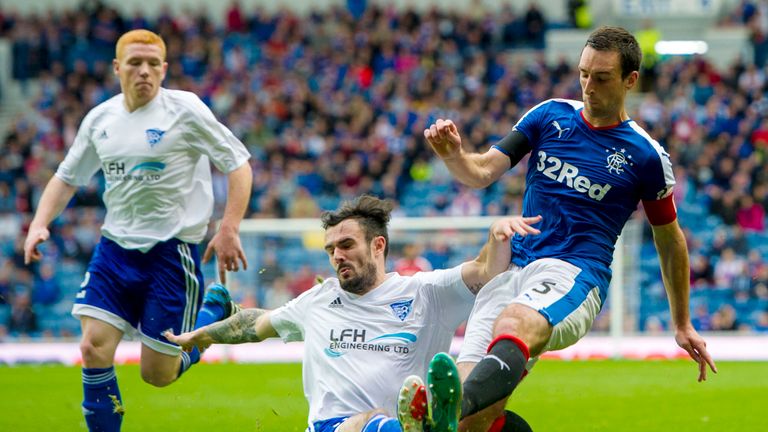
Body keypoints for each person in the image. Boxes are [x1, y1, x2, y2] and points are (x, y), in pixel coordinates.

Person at [422, 26, 717, 432]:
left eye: (601, 78)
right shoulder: (548, 115)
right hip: (511, 271)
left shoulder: (646, 156)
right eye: (583, 73)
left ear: (631, 80)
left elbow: (669, 240)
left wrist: (681, 323)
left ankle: (448, 409)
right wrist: (454, 155)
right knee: (477, 422)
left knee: (513, 324)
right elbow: (480, 172)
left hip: (574, 275)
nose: (588, 86)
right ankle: (461, 411)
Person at [22, 29, 252, 431]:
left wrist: (229, 226)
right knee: (93, 348)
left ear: (164, 70)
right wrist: (39, 223)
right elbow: (66, 177)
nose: (144, 71)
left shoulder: (186, 110)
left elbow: (238, 164)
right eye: (134, 63)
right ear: (117, 68)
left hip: (171, 253)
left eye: (152, 64)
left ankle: (214, 313)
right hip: (115, 250)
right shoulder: (100, 119)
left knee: (156, 374)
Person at [166, 195, 541, 432]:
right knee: (370, 421)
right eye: (330, 249)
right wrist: (202, 335)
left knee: (504, 425)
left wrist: (497, 236)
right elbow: (256, 324)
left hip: (399, 422)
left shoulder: (426, 292)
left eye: (346, 245)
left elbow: (487, 271)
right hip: (335, 427)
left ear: (379, 245)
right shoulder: (318, 299)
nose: (336, 256)